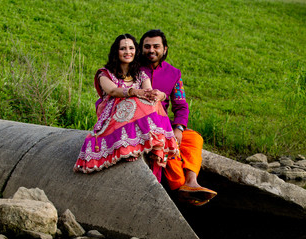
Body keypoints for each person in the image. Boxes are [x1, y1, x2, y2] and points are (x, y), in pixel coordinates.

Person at [73, 33, 178, 179]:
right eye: (123, 48)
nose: (128, 52)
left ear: (136, 51)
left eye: (131, 48)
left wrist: (160, 95)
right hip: (113, 118)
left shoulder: (140, 75)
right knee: (133, 101)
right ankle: (127, 146)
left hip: (136, 117)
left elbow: (148, 93)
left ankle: (152, 143)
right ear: (116, 51)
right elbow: (112, 91)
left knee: (152, 101)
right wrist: (133, 92)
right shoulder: (105, 73)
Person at [139, 29, 217, 206]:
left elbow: (181, 105)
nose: (151, 50)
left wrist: (179, 128)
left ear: (165, 49)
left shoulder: (174, 74)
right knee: (168, 146)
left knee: (194, 139)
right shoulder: (134, 69)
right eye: (147, 46)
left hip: (166, 123)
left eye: (156, 46)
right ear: (141, 49)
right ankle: (180, 188)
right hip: (144, 124)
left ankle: (191, 182)